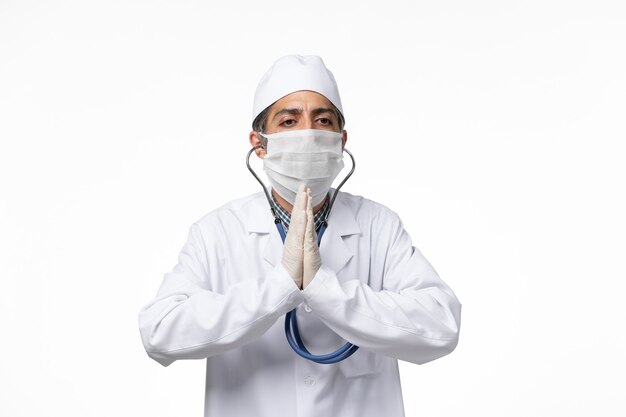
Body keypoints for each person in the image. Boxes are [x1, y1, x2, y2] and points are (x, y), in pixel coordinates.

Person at [138, 54, 462, 417]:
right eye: (289, 121)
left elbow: (441, 326)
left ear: (341, 140)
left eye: (322, 120)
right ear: (259, 143)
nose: (307, 132)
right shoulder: (218, 231)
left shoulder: (377, 225)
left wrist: (325, 289)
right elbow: (160, 333)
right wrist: (279, 286)